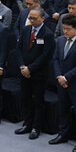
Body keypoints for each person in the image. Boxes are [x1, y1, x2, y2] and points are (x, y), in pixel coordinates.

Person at [49, 14, 76, 152]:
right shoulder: (61, 40)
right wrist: (59, 77)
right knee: (63, 111)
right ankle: (63, 134)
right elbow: (55, 59)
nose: (65, 31)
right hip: (61, 83)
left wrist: (66, 78)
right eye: (64, 28)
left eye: (68, 29)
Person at [15, 7, 54, 140]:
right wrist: (22, 66)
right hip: (24, 71)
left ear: (43, 18)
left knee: (38, 101)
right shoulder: (26, 30)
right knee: (25, 98)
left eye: (35, 18)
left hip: (38, 74)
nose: (32, 20)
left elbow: (45, 56)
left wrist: (30, 69)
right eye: (30, 18)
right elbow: (19, 49)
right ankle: (27, 123)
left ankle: (36, 127)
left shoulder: (47, 34)